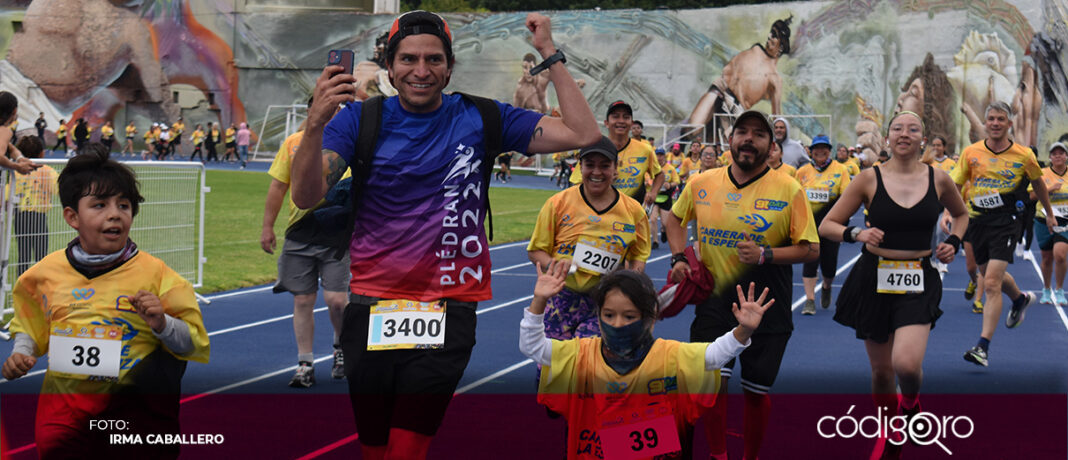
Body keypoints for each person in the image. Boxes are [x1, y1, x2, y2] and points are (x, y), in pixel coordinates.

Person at [288, 11, 600, 458]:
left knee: (407, 450)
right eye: (409, 59)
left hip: (447, 310)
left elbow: (584, 132)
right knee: (375, 449)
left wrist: (549, 52)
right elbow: (305, 195)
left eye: (434, 60)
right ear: (390, 66)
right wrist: (315, 123)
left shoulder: (482, 116)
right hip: (371, 308)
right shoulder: (358, 120)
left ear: (450, 67)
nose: (421, 71)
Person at [2, 143, 210, 458]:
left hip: (134, 422)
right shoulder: (43, 274)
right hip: (63, 423)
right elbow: (28, 324)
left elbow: (192, 345)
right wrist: (21, 352)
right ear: (72, 216)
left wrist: (162, 323)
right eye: (99, 205)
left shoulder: (160, 278)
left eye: (123, 205)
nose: (114, 213)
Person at [664, 110, 818, 460]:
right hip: (716, 303)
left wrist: (765, 254)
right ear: (730, 140)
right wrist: (678, 258)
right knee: (712, 386)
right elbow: (674, 219)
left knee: (755, 391)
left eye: (759, 134)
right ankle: (719, 455)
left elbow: (811, 248)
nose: (749, 139)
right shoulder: (702, 182)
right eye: (742, 132)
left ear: (771, 145)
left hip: (767, 305)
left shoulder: (789, 188)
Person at [818, 110, 968, 459]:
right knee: (883, 373)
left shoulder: (939, 178)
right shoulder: (868, 179)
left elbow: (961, 215)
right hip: (874, 276)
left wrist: (955, 243)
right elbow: (828, 225)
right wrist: (856, 233)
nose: (904, 133)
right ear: (887, 138)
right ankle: (890, 433)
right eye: (897, 128)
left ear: (923, 139)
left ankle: (911, 404)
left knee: (906, 365)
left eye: (912, 129)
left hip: (918, 276)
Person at [521, 264, 772, 460]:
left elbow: (714, 355)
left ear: (649, 318)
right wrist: (539, 300)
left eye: (629, 316)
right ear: (597, 316)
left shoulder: (669, 357)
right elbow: (533, 347)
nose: (617, 324)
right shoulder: (581, 355)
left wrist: (744, 330)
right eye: (609, 315)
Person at [952, 101, 1054, 367]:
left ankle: (982, 347)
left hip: (1007, 222)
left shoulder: (1023, 155)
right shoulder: (971, 152)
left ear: (1009, 124)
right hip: (977, 221)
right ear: (986, 123)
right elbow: (955, 184)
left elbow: (1038, 183)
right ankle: (1019, 299)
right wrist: (947, 212)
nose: (996, 123)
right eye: (992, 119)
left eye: (1001, 119)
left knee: (992, 283)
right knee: (986, 273)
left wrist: (1050, 213)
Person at [528, 136, 651, 350]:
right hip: (561, 297)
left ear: (615, 169)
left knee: (588, 362)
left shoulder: (633, 211)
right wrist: (556, 267)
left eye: (604, 166)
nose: (596, 172)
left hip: (605, 301)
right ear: (580, 167)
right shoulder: (558, 203)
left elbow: (639, 255)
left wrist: (632, 278)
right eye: (589, 165)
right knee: (552, 367)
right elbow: (536, 251)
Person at [262, 100, 351, 387]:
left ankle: (340, 349)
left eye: (336, 108)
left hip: (338, 235)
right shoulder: (293, 143)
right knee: (302, 300)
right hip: (300, 233)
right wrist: (267, 227)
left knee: (337, 301)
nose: (330, 113)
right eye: (325, 107)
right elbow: (278, 185)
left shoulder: (349, 144)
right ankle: (305, 363)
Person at [688, 17, 792, 140]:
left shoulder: (775, 79)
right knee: (691, 129)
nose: (769, 36)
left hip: (735, 108)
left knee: (725, 144)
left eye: (774, 35)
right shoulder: (756, 48)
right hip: (721, 87)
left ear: (781, 47)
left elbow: (776, 116)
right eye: (771, 32)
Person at [795, 135, 852, 315]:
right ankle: (810, 300)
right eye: (816, 148)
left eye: (824, 148)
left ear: (830, 150)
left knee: (829, 265)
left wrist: (843, 224)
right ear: (811, 151)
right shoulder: (802, 172)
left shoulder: (840, 170)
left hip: (830, 224)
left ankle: (827, 286)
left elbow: (847, 197)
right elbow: (794, 197)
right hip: (809, 224)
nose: (820, 151)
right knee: (810, 260)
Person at [568, 101, 665, 204]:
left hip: (632, 213)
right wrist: (601, 180)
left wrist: (653, 193)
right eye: (615, 117)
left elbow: (659, 174)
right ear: (606, 123)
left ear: (631, 123)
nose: (621, 121)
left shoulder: (645, 150)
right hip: (599, 210)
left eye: (626, 117)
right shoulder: (594, 148)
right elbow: (576, 184)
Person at [12, 136, 58, 277]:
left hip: (20, 217)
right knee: (41, 256)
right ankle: (40, 288)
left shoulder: (15, 171)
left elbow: (8, 194)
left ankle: (21, 286)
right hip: (38, 217)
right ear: (41, 153)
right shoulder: (47, 171)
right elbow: (58, 189)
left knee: (23, 256)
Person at [1033, 142, 1068, 305]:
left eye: (1062, 153)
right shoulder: (1042, 174)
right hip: (1043, 218)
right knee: (1047, 258)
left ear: (1066, 157)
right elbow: (1032, 196)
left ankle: (1060, 290)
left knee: (1060, 255)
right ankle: (1046, 289)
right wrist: (1049, 189)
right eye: (1055, 154)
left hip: (1065, 220)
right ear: (1050, 158)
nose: (1058, 156)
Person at [0, 92, 40, 175]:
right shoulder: (4, 131)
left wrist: (20, 158)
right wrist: (17, 166)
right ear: (15, 111)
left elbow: (11, 148)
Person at [651, 147, 680, 248]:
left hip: (665, 198)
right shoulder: (651, 167)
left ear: (664, 156)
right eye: (657, 155)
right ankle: (655, 242)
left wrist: (670, 185)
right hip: (654, 197)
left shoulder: (670, 168)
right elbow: (646, 178)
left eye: (661, 155)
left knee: (665, 223)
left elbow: (677, 181)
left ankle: (663, 230)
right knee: (653, 219)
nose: (659, 157)